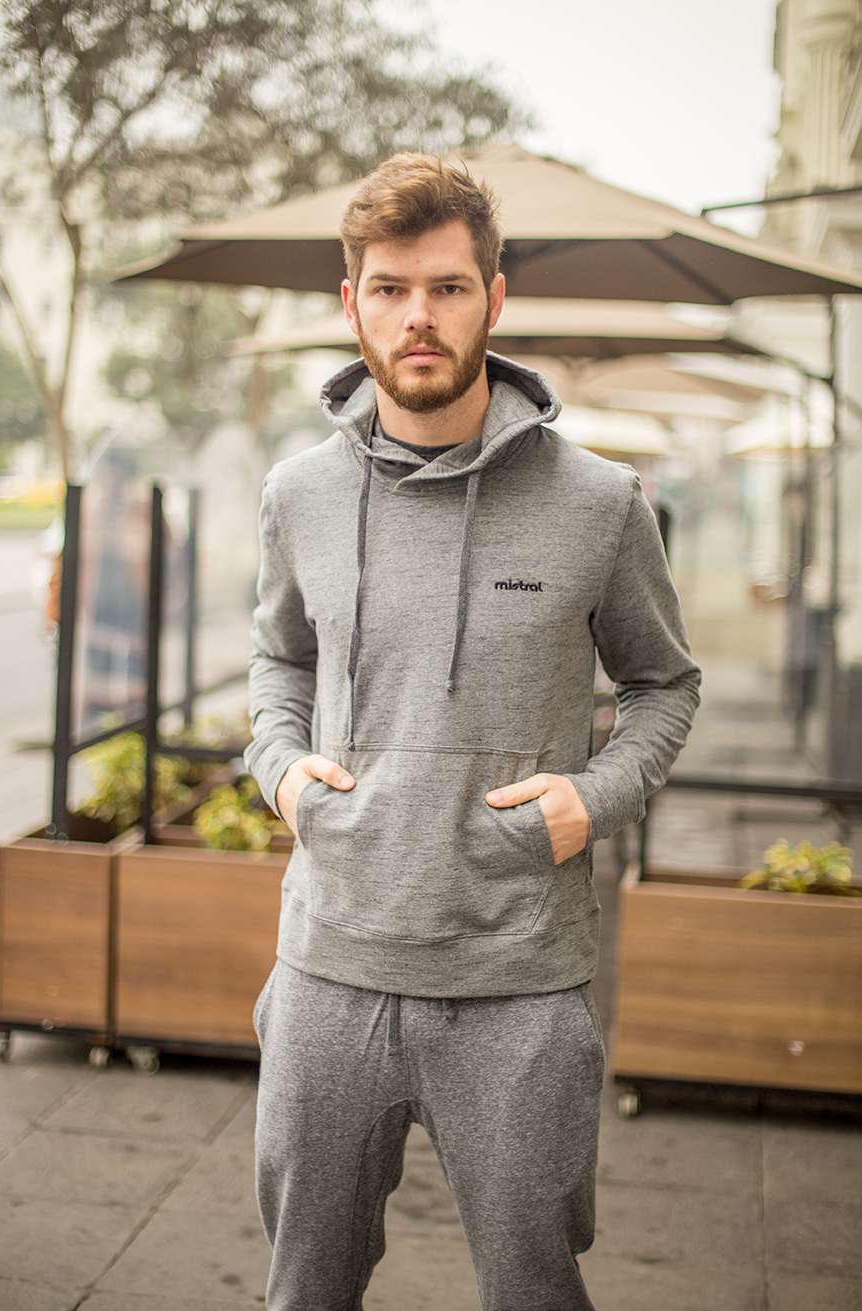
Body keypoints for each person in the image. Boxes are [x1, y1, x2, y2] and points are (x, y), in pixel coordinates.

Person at [245, 152, 701, 1311]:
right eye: (390, 288)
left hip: (520, 983)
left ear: (494, 299)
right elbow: (279, 659)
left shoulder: (601, 501)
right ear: (351, 304)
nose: (419, 315)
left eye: (447, 287)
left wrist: (593, 799)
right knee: (303, 1291)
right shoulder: (297, 494)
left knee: (534, 1291)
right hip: (327, 965)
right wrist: (281, 772)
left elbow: (663, 686)